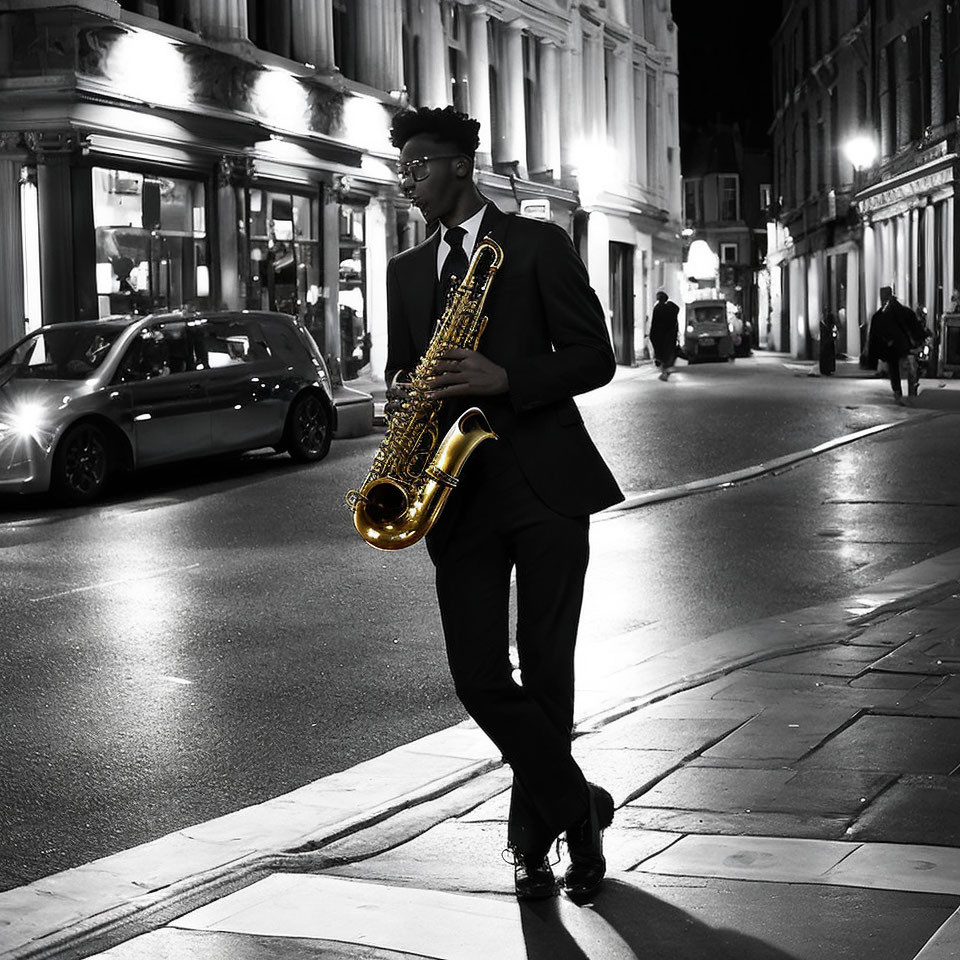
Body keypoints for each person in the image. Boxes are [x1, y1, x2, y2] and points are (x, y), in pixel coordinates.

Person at [384, 106, 623, 903]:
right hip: (458, 494)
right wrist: (401, 403)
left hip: (546, 485)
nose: (407, 180)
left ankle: (532, 846)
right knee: (479, 677)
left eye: (416, 166)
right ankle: (577, 807)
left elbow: (595, 356)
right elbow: (405, 369)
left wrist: (507, 377)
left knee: (548, 672)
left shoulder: (536, 244)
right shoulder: (405, 271)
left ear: (457, 163)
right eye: (402, 169)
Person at [868, 286, 925, 404]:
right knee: (908, 368)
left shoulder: (884, 314)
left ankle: (900, 393)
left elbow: (879, 332)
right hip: (903, 345)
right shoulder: (900, 310)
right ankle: (910, 393)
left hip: (895, 346)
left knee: (897, 369)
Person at [649, 290, 680, 380]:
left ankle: (664, 372)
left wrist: (652, 335)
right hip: (670, 335)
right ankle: (665, 371)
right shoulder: (671, 308)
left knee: (661, 354)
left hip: (659, 335)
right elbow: (676, 310)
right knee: (668, 354)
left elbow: (654, 323)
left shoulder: (658, 308)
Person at [818, 310, 838, 375]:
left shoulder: (824, 324)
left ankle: (825, 369)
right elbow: (834, 333)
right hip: (828, 343)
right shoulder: (829, 325)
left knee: (826, 357)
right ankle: (827, 369)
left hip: (825, 343)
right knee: (828, 357)